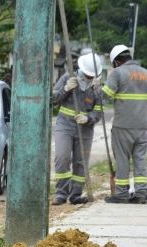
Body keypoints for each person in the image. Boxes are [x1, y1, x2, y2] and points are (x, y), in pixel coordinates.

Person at [99, 45, 147, 204]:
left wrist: (98, 87)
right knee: (140, 160)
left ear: (117, 61)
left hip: (122, 125)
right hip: (141, 126)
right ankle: (141, 193)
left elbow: (105, 96)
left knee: (123, 159)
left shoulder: (118, 73)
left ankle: (122, 194)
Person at [51, 53, 103, 205]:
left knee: (80, 162)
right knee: (62, 157)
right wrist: (66, 89)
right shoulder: (68, 78)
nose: (88, 77)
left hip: (85, 129)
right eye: (87, 75)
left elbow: (98, 111)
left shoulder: (97, 88)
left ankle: (75, 195)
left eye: (91, 75)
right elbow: (52, 99)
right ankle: (61, 194)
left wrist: (89, 118)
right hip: (65, 125)